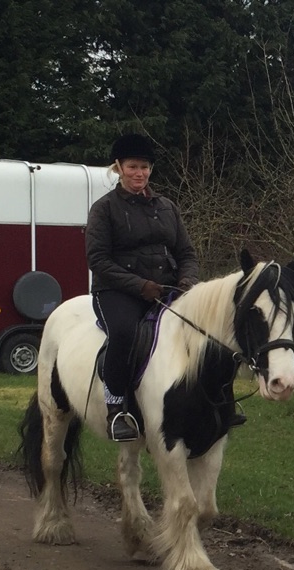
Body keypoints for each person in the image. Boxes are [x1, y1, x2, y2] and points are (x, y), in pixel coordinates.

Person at [85, 133, 200, 441]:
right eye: (133, 166)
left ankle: (208, 404)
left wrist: (186, 281)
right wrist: (139, 286)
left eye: (145, 167)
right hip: (116, 291)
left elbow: (186, 253)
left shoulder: (167, 207)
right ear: (119, 168)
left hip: (165, 289)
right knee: (124, 332)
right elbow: (98, 260)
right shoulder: (104, 209)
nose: (139, 173)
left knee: (203, 330)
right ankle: (116, 409)